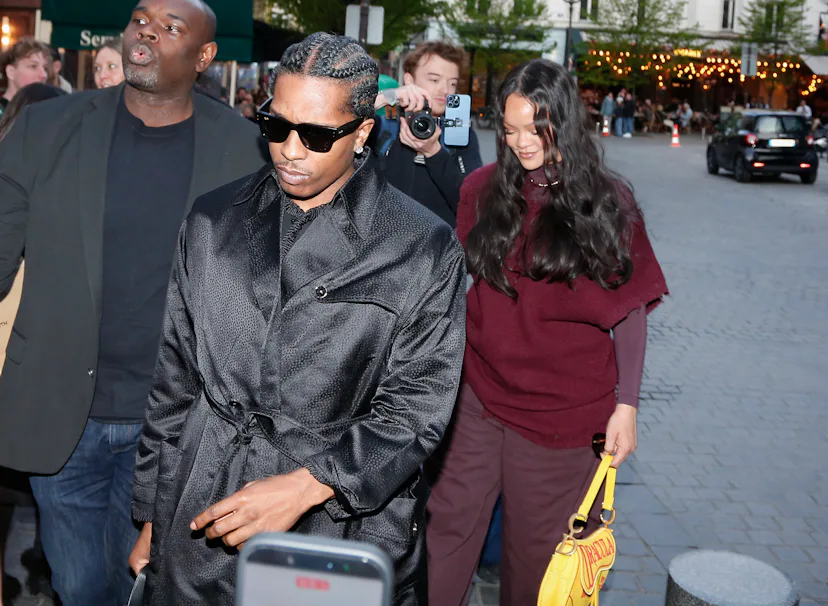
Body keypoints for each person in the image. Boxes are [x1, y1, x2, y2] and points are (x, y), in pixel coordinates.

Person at [127, 32, 466, 606]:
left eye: (315, 135)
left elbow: (416, 408)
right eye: (276, 125)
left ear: (362, 132)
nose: (289, 150)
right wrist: (154, 513)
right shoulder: (213, 221)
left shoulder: (420, 246)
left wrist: (309, 485)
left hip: (339, 524)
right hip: (204, 501)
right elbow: (175, 382)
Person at [0, 0, 268, 603]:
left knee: (143, 585)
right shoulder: (47, 129)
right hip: (61, 410)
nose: (147, 31)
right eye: (142, 18)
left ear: (204, 56)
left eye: (171, 27)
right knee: (76, 584)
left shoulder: (245, 149)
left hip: (175, 423)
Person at [426, 58, 668, 606]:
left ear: (565, 121)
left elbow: (629, 309)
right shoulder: (481, 189)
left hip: (563, 416)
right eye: (510, 130)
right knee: (446, 529)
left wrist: (627, 405)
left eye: (536, 128)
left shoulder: (608, 201)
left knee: (535, 561)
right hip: (480, 396)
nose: (522, 142)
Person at [373, 41, 483, 227]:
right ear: (409, 80)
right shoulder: (385, 129)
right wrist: (388, 97)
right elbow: (340, 119)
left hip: (439, 244)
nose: (445, 90)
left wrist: (434, 153)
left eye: (452, 83)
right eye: (434, 80)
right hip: (383, 242)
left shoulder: (461, 135)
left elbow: (471, 204)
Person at [0, 38, 50, 117]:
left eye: (45, 68)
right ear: (11, 72)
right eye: (33, 66)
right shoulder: (2, 113)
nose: (43, 75)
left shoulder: (43, 113)